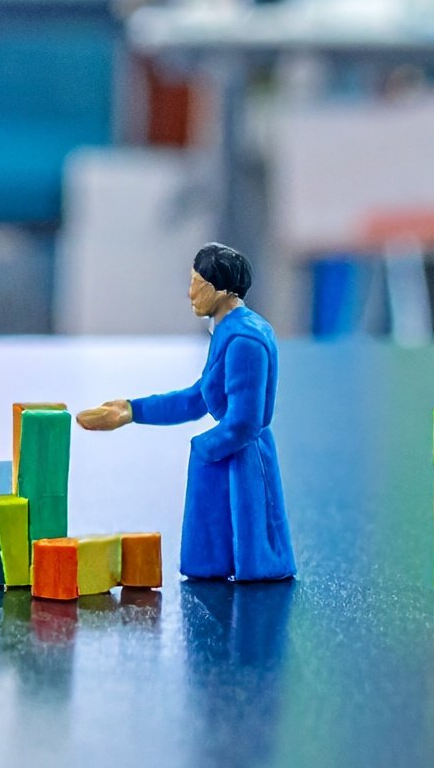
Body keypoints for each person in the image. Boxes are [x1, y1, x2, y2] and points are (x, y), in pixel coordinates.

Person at [76, 243, 295, 582]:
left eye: (199, 284)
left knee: (247, 530)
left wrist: (204, 447)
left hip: (240, 458)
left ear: (223, 290)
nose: (191, 292)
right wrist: (132, 410)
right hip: (227, 454)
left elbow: (244, 423)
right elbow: (198, 397)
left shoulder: (244, 341)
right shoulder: (227, 331)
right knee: (213, 552)